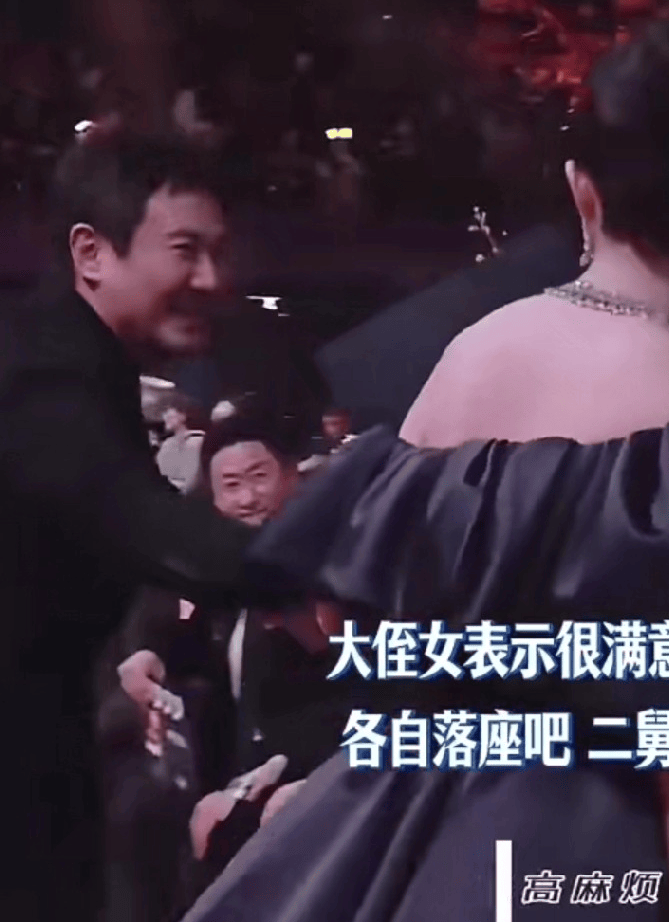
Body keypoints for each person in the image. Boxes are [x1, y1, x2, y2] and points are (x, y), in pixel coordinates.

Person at [184, 21, 669, 922]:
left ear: (582, 189)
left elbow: (340, 615)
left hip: (392, 817)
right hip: (579, 859)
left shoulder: (472, 353)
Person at [0, 130, 293, 922]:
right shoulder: (43, 379)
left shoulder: (72, 364)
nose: (212, 279)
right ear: (91, 252)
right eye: (186, 251)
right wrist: (360, 547)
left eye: (220, 253)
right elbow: (152, 530)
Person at [101, 414, 349, 920]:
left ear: (293, 475)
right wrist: (150, 658)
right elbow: (181, 639)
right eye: (231, 486)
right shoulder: (229, 579)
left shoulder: (336, 563)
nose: (248, 499)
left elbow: (360, 684)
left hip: (321, 771)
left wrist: (278, 778)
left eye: (259, 477)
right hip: (237, 777)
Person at [155, 392, 206, 493]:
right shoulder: (167, 444)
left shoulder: (195, 442)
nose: (164, 416)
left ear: (183, 415)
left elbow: (191, 484)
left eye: (168, 410)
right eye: (163, 412)